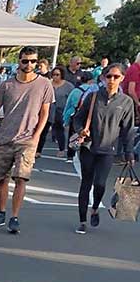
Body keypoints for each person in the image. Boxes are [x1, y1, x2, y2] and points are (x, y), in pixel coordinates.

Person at [0, 46, 54, 235]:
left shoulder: (44, 84)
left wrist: (36, 136)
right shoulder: (7, 85)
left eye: (33, 61)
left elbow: (45, 113)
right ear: (19, 61)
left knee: (21, 178)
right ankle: (1, 212)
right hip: (5, 137)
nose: (29, 64)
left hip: (27, 140)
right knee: (2, 178)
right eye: (25, 61)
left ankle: (14, 216)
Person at [71, 64, 135, 234]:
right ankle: (82, 220)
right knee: (86, 183)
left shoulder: (126, 102)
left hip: (108, 149)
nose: (112, 80)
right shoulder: (93, 97)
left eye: (116, 77)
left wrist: (129, 152)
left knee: (100, 184)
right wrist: (80, 130)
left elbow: (128, 129)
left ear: (122, 78)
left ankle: (95, 208)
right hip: (89, 147)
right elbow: (77, 119)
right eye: (109, 76)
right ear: (103, 78)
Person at [63, 74, 98, 163]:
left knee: (72, 135)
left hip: (74, 113)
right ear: (90, 80)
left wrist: (65, 118)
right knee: (85, 135)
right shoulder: (95, 90)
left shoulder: (75, 90)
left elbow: (68, 104)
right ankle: (84, 152)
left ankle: (70, 155)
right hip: (88, 116)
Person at [48, 67, 74, 157]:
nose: (55, 77)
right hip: (48, 110)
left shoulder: (68, 86)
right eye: (54, 74)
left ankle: (62, 149)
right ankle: (37, 150)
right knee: (43, 130)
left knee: (59, 130)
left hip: (61, 110)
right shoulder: (48, 84)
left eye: (57, 75)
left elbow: (72, 99)